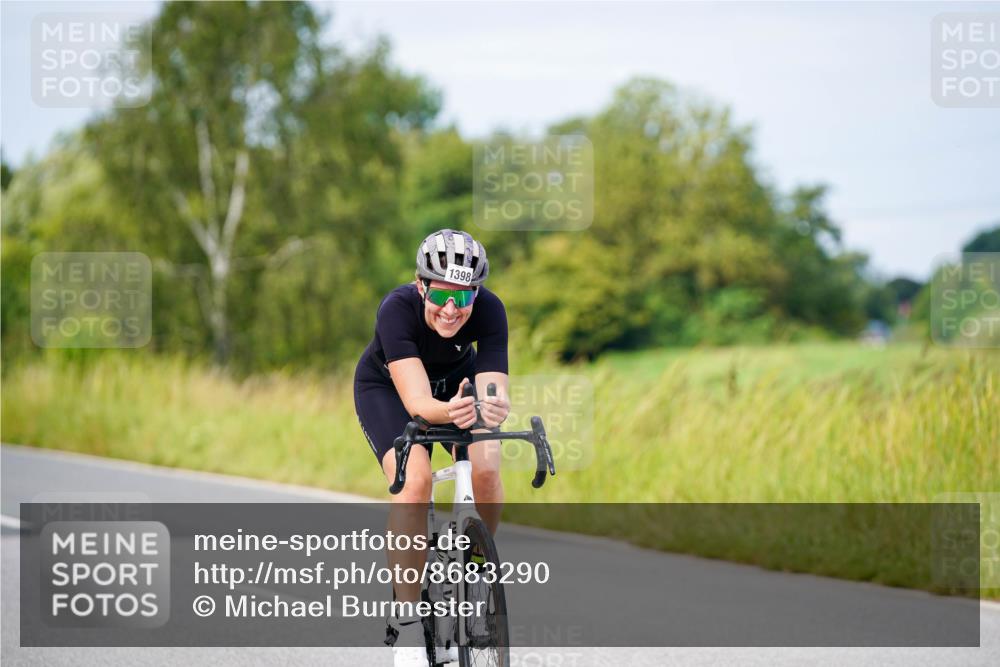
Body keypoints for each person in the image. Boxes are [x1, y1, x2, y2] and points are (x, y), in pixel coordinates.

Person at [353, 229, 511, 666]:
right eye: (441, 294)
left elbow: (494, 386)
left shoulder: (491, 310)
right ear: (421, 285)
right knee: (415, 479)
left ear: (476, 295)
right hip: (391, 391)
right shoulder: (396, 310)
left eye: (463, 298)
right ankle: (406, 619)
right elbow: (420, 404)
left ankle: (477, 570)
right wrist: (456, 410)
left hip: (457, 390)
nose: (450, 309)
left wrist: (494, 408)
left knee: (487, 464)